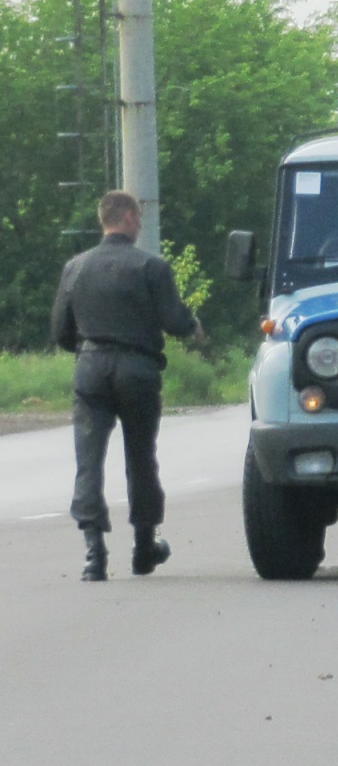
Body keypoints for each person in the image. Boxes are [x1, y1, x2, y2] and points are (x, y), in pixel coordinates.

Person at [49, 191, 200, 582]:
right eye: (140, 216)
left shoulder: (76, 267)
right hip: (137, 367)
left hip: (91, 366)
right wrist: (194, 328)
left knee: (89, 458)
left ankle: (93, 553)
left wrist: (87, 351)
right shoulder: (151, 266)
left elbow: (59, 330)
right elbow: (174, 320)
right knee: (140, 456)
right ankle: (144, 548)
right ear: (129, 217)